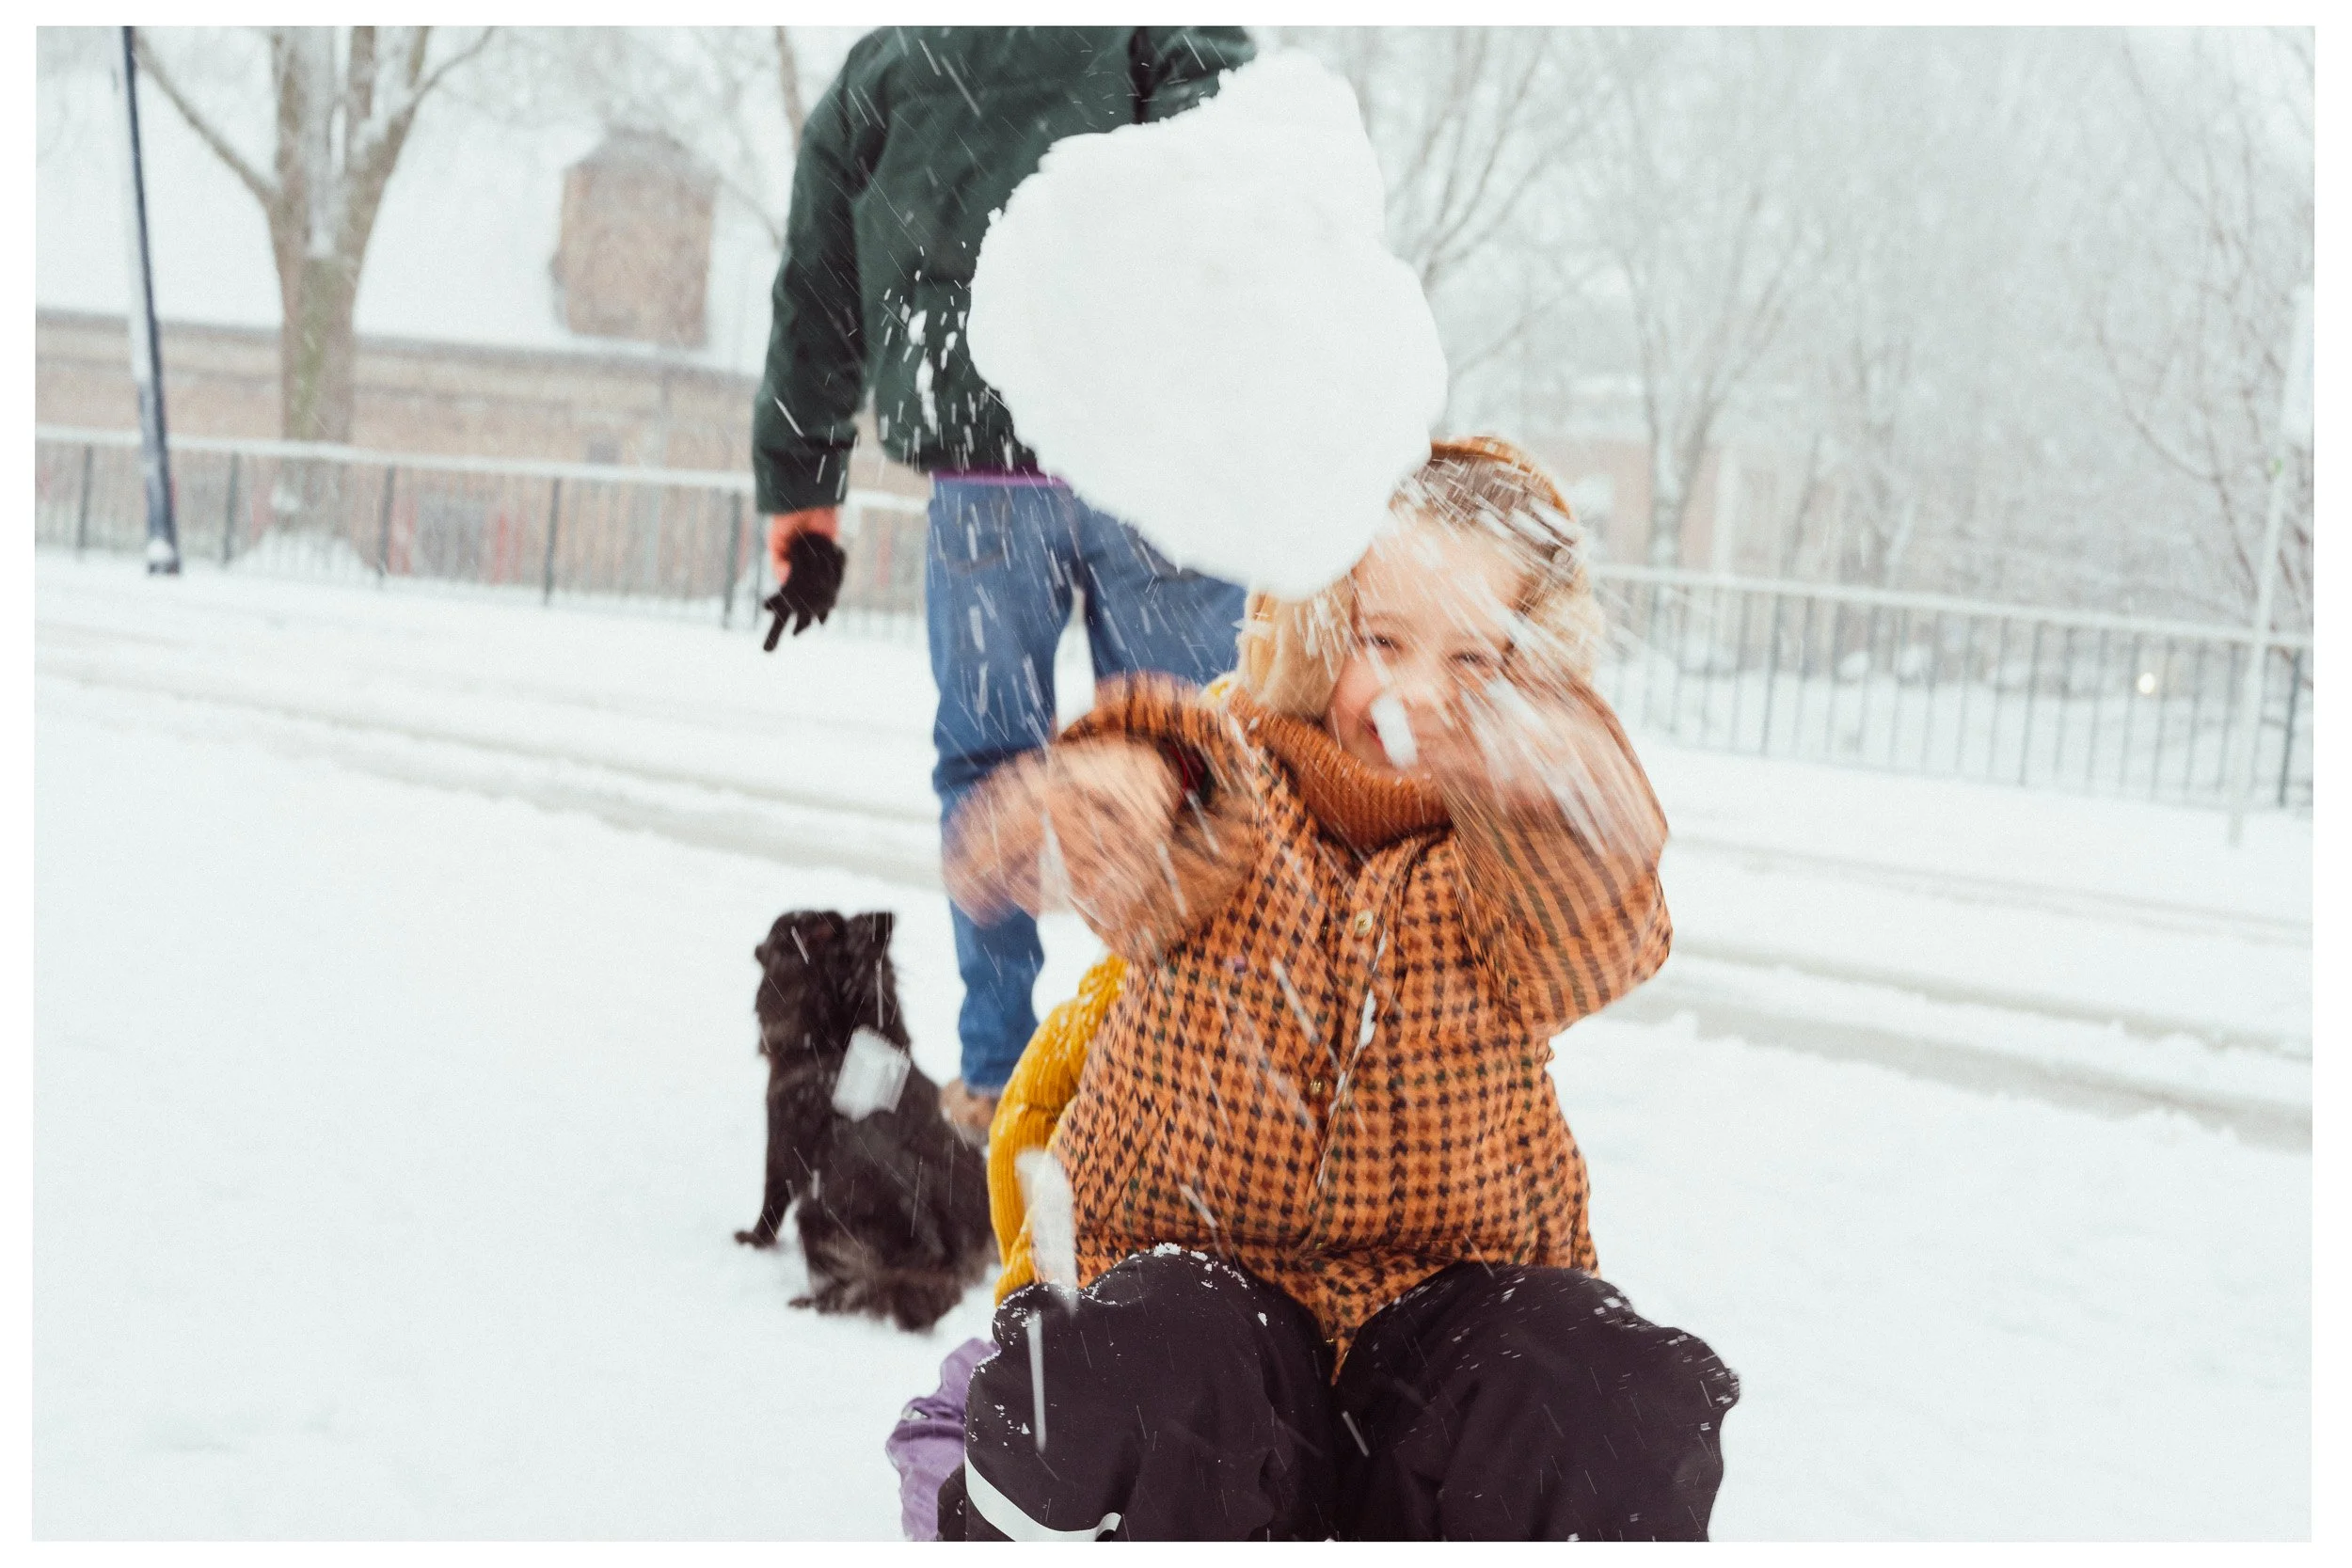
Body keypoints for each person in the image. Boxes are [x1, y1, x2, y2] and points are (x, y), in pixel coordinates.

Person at [927, 438, 1739, 1541]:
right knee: (1151, 1358)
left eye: (1474, 659)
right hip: (1205, 1329)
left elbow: (1591, 936)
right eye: (1382, 639)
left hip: (1436, 1365)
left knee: (1589, 1387)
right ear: (1316, 631)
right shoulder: (1241, 793)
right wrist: (1123, 786)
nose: (1417, 692)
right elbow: (1185, 776)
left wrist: (1573, 808)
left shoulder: (1509, 862)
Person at [752, 27, 1257, 1143]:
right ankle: (1189, 1079)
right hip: (1149, 460)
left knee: (987, 766)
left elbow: (818, 280)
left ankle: (997, 1080)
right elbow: (1242, 194)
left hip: (983, 474)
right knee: (1194, 765)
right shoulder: (1159, 31)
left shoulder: (898, 58)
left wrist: (803, 484)